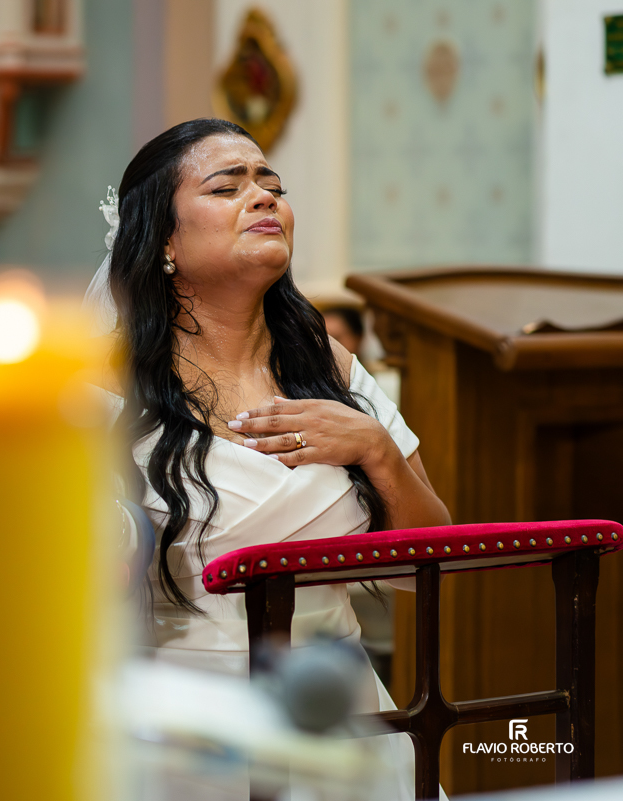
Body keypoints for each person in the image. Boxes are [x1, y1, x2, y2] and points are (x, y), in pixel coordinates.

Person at [86, 118, 450, 799]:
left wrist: (376, 449)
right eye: (227, 187)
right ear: (164, 240)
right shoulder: (103, 387)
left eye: (272, 185)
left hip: (345, 716)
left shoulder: (329, 365)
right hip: (194, 733)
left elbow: (424, 566)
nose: (262, 198)